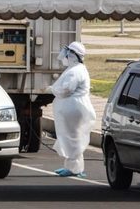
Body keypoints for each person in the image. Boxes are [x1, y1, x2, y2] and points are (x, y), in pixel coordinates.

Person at [48, 41, 96, 177]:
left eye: (68, 52)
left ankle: (75, 169)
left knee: (73, 139)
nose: (65, 55)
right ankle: (72, 166)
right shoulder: (75, 69)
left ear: (73, 55)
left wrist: (53, 90)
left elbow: (67, 89)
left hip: (74, 108)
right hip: (73, 108)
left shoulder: (75, 71)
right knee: (72, 138)